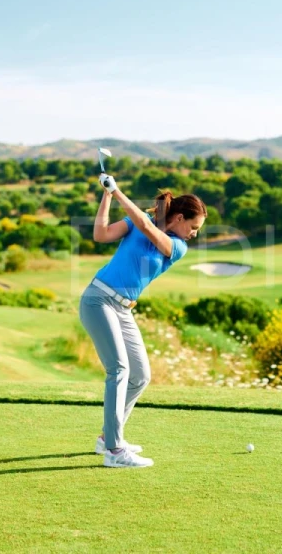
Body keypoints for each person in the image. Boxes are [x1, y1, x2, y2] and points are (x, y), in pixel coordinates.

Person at [80, 172, 206, 468]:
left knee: (140, 376)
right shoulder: (136, 226)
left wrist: (119, 191)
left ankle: (108, 436)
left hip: (123, 309)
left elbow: (147, 228)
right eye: (194, 226)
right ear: (178, 218)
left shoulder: (177, 247)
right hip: (98, 300)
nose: (195, 234)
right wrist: (108, 195)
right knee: (119, 369)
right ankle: (113, 449)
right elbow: (100, 235)